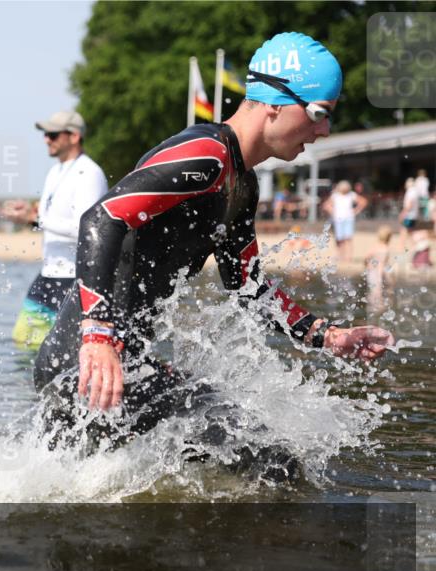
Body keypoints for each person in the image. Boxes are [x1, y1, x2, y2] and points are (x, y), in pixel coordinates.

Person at [34, 32, 394, 443]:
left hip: (117, 365)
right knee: (260, 455)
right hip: (84, 364)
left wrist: (329, 336)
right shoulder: (205, 155)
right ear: (275, 103)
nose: (325, 129)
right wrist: (98, 337)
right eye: (317, 113)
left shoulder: (240, 184)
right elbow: (102, 218)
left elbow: (249, 288)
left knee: (244, 448)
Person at [4, 110, 107, 348]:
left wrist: (37, 218)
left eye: (52, 134)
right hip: (48, 274)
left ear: (73, 137)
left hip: (73, 278)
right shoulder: (55, 171)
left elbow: (86, 229)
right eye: (46, 134)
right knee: (23, 341)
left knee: (61, 351)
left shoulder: (89, 173)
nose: (46, 139)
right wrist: (30, 217)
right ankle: (19, 388)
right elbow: (50, 219)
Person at [321, 180, 367, 263]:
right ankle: (341, 256)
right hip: (338, 219)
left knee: (348, 239)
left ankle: (348, 257)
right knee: (340, 239)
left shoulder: (351, 194)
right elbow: (326, 205)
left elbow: (363, 201)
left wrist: (356, 210)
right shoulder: (335, 195)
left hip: (348, 219)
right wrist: (333, 211)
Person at [364, 226, 394, 313]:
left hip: (372, 272)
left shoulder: (375, 247)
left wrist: (367, 265)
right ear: (389, 238)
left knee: (374, 291)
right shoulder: (386, 248)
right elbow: (383, 264)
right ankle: (380, 308)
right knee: (380, 291)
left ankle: (372, 306)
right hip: (380, 272)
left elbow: (366, 257)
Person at [397, 177, 420, 254]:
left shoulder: (410, 192)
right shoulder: (415, 192)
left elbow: (408, 205)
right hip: (414, 215)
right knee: (411, 231)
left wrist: (403, 213)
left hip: (409, 215)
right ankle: (415, 245)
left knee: (403, 230)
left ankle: (401, 246)